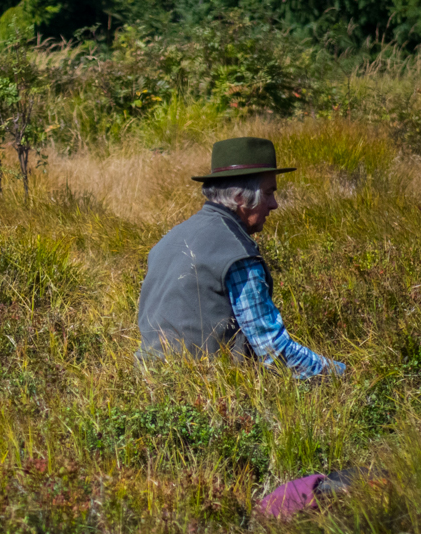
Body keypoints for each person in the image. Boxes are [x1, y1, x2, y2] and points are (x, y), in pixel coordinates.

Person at [135, 136, 345, 379]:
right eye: (268, 193)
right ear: (239, 198)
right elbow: (273, 351)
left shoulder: (169, 238)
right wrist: (341, 374)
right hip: (207, 393)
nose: (274, 204)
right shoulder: (237, 254)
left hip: (146, 383)